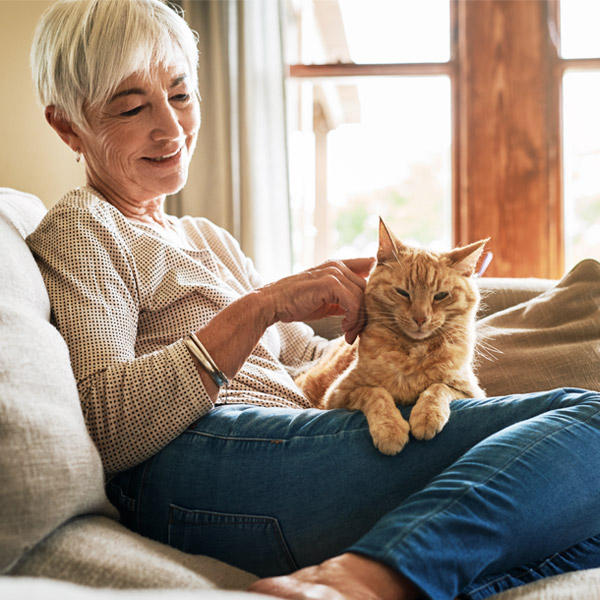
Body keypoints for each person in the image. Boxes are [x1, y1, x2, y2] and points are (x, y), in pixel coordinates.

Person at [27, 1, 600, 598]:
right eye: (132, 107)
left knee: (580, 507)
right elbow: (107, 425)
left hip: (297, 438)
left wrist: (373, 308)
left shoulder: (204, 237)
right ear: (69, 127)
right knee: (593, 420)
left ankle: (406, 574)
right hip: (202, 468)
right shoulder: (84, 226)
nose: (170, 128)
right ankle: (362, 578)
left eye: (180, 95)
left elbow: (306, 365)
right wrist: (262, 305)